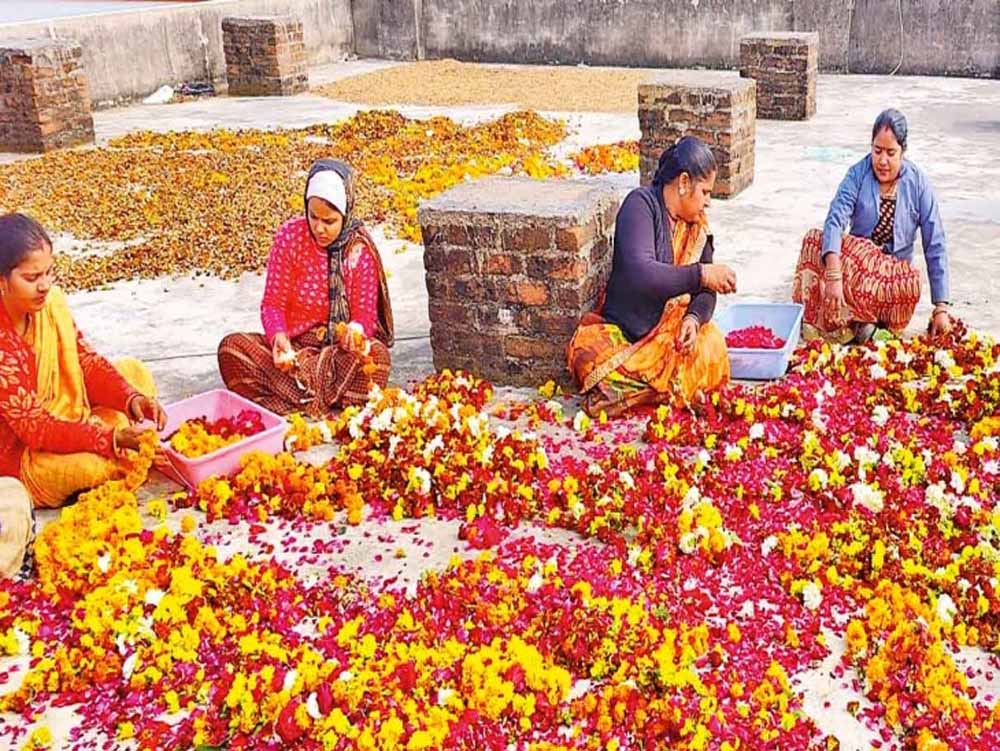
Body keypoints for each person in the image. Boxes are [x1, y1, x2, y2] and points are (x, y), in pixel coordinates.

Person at [0, 213, 165, 510]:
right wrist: (111, 438)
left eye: (49, 272)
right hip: (25, 452)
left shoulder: (50, 304)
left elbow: (84, 362)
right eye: (32, 278)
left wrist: (130, 399)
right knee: (90, 467)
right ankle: (114, 445)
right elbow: (37, 429)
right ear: (2, 282)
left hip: (68, 416)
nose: (45, 285)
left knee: (134, 372)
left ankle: (115, 432)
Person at [567, 136, 736, 417]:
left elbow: (706, 292)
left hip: (669, 335)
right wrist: (701, 274)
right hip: (626, 335)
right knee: (590, 357)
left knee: (712, 344)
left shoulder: (697, 227)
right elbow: (642, 273)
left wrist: (693, 319)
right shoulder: (640, 205)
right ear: (683, 183)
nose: (708, 202)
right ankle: (668, 388)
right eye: (705, 192)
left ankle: (654, 389)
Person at [218, 160, 393, 416]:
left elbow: (365, 315)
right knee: (232, 349)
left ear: (345, 215)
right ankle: (325, 399)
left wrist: (355, 332)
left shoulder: (358, 250)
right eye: (313, 217)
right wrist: (278, 337)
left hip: (338, 355)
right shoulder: (290, 237)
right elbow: (272, 304)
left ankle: (298, 399)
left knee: (377, 357)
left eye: (329, 221)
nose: (319, 228)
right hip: (296, 350)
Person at [793, 108, 952, 343]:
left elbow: (934, 242)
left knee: (911, 282)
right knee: (813, 242)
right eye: (877, 151)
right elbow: (836, 219)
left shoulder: (918, 183)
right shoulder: (858, 174)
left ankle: (860, 323)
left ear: (903, 151)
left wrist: (941, 307)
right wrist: (834, 275)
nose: (882, 161)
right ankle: (857, 326)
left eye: (891, 153)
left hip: (890, 279)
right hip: (856, 273)